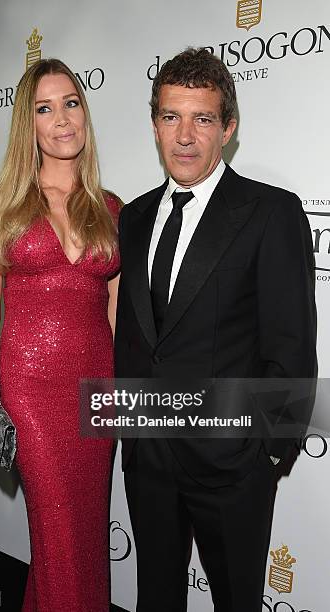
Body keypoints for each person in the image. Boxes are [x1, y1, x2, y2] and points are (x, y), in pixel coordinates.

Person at [115, 48, 316, 612]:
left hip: (232, 465)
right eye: (170, 116)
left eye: (202, 119)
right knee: (155, 597)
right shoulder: (132, 218)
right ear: (154, 123)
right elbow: (137, 337)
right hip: (148, 457)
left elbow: (292, 343)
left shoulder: (271, 213)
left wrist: (269, 454)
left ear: (227, 128)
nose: (184, 136)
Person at [0, 58, 121, 612]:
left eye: (71, 103)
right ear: (27, 125)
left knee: (87, 537)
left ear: (85, 113)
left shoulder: (112, 210)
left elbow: (115, 314)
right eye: (44, 109)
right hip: (32, 394)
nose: (61, 120)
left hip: (98, 393)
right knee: (56, 537)